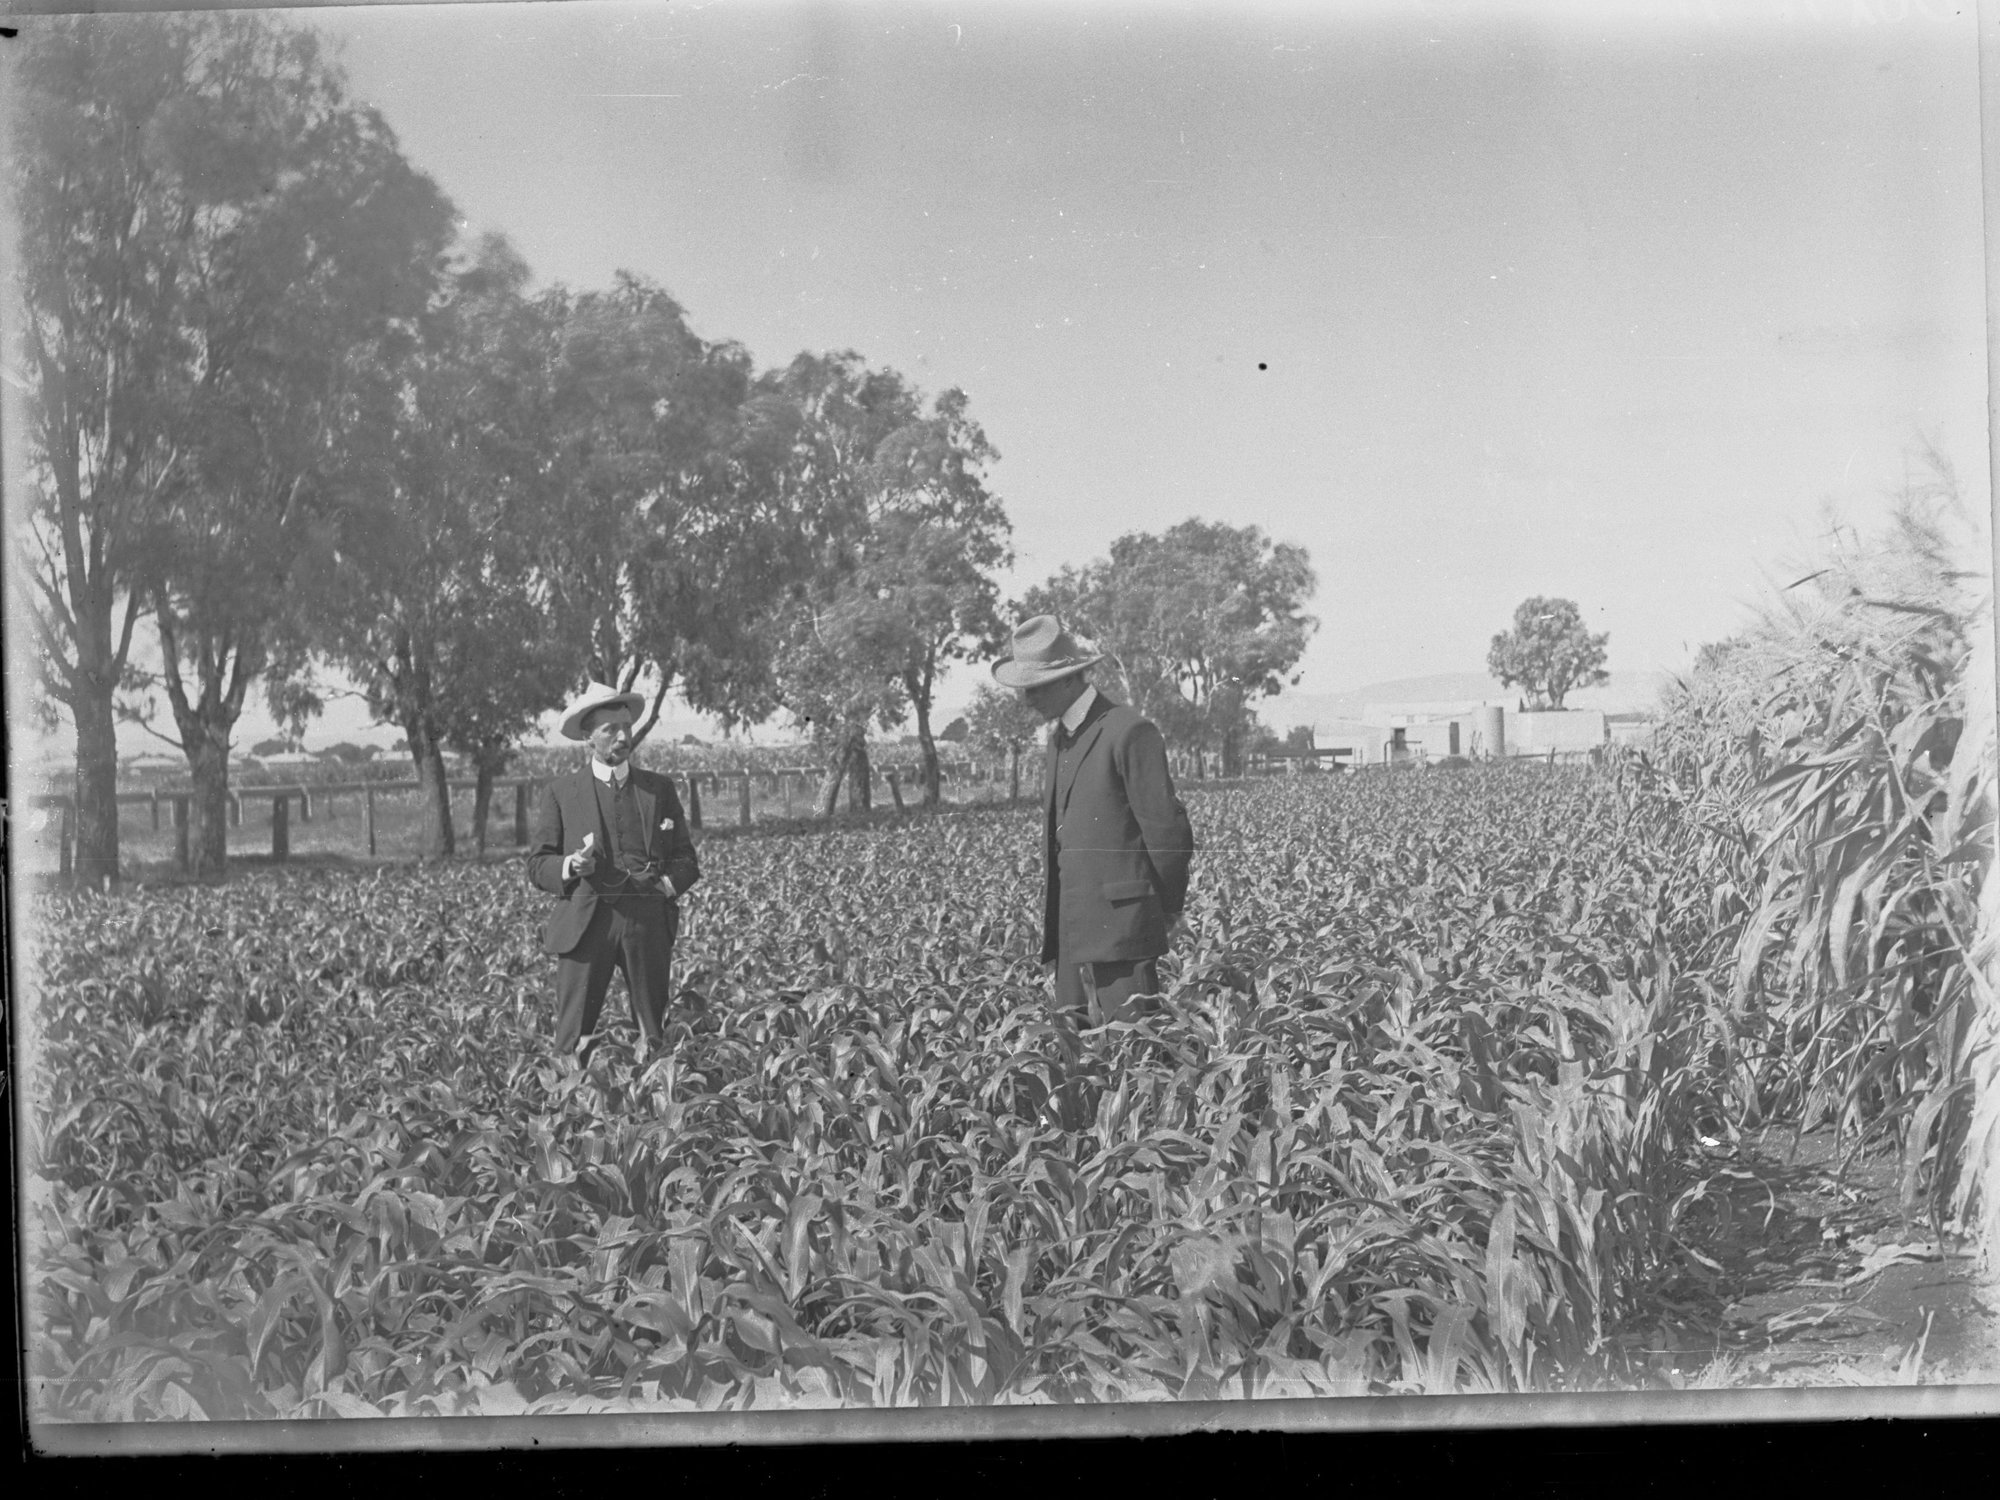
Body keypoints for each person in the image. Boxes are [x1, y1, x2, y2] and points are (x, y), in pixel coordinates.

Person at [993, 615, 1195, 1030]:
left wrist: (1167, 910)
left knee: (1139, 1058)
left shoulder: (1128, 731)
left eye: (1035, 688)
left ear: (1070, 679)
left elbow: (1168, 833)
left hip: (1123, 933)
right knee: (1075, 1063)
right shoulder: (1058, 739)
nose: (1026, 699)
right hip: (1070, 932)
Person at [526, 682, 700, 1061]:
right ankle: (569, 1112)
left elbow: (686, 858)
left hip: (647, 922)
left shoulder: (659, 789)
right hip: (586, 926)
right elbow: (538, 864)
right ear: (588, 737)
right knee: (572, 1041)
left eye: (627, 727)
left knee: (654, 1036)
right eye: (611, 730)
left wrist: (664, 889)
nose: (623, 737)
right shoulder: (561, 792)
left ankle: (655, 1108)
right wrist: (572, 865)